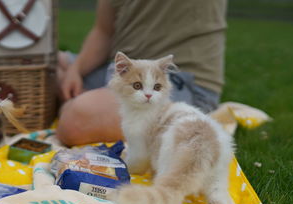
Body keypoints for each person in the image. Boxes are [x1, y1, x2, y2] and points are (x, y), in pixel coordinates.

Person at [56, 0, 228, 146]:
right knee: (46, 60)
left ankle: (74, 104)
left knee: (74, 123)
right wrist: (75, 70)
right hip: (122, 69)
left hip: (180, 80)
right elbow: (104, 31)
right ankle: (87, 101)